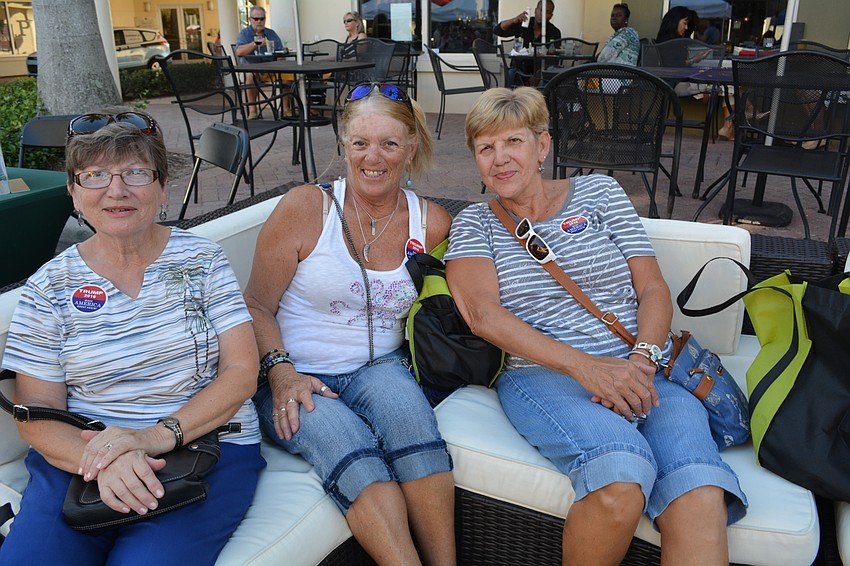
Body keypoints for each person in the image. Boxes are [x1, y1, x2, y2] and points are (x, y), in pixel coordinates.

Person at [444, 87, 747, 565]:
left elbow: (651, 287)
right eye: (485, 148)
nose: (499, 159)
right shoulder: (475, 224)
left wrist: (641, 362)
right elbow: (483, 315)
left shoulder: (599, 192)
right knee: (620, 476)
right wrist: (587, 368)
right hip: (547, 374)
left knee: (699, 490)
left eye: (513, 142)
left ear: (542, 146)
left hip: (645, 365)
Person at [0, 111, 264, 564]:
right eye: (95, 175)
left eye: (136, 173)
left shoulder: (202, 260)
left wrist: (153, 438)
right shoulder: (49, 287)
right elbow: (36, 413)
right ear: (73, 193)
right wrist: (113, 458)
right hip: (82, 454)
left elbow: (241, 372)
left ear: (162, 188)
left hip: (206, 444)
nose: (116, 190)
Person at [244, 83, 456, 565]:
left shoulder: (434, 222)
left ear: (411, 147)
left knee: (414, 429)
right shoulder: (305, 207)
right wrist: (281, 373)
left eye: (388, 143)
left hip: (383, 366)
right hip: (293, 368)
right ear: (344, 146)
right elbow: (255, 304)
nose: (372, 157)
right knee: (349, 446)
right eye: (359, 143)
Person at [235, 6, 287, 119]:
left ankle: (286, 110)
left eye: (262, 19)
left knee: (287, 76)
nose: (259, 21)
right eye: (256, 19)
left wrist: (280, 59)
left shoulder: (271, 33)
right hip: (252, 68)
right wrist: (255, 43)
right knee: (251, 76)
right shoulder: (245, 33)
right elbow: (239, 52)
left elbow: (280, 52)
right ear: (250, 19)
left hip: (270, 69)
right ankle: (253, 111)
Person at [493, 0, 561, 85]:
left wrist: (539, 74)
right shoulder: (524, 24)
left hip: (541, 70)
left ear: (550, 16)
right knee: (511, 74)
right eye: (541, 10)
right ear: (535, 11)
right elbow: (498, 30)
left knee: (548, 79)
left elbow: (554, 59)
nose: (542, 14)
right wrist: (514, 20)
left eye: (547, 12)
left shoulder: (554, 32)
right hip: (520, 68)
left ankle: (544, 98)